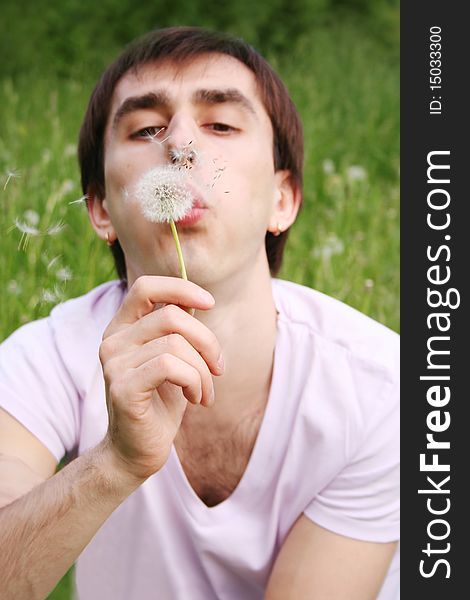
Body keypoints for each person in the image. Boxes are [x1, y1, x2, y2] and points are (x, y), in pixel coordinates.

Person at [0, 26, 399, 599]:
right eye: (146, 128)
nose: (181, 144)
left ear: (282, 201)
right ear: (101, 210)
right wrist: (113, 464)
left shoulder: (384, 390)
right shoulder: (43, 360)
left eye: (221, 125)